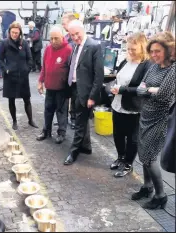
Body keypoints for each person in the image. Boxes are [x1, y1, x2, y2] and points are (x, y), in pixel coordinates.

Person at [132, 32, 175, 209]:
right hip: (146, 115)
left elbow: (164, 95)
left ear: (168, 50)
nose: (154, 55)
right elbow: (140, 87)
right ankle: (147, 186)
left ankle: (160, 195)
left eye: (158, 51)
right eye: (152, 51)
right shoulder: (153, 66)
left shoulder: (173, 70)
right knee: (143, 154)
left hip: (160, 118)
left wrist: (147, 90)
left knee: (150, 158)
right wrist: (151, 90)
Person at [109, 32, 152, 177]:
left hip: (133, 107)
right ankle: (120, 157)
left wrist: (121, 89)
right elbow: (118, 77)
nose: (130, 52)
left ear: (142, 47)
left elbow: (143, 89)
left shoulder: (147, 65)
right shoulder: (125, 61)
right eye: (128, 49)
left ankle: (128, 163)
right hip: (117, 104)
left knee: (132, 139)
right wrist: (114, 87)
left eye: (134, 49)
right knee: (117, 134)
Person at [63, 20, 104, 165]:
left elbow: (99, 75)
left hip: (85, 92)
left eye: (77, 34)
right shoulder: (75, 46)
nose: (74, 37)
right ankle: (86, 147)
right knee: (80, 119)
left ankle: (73, 152)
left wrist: (92, 97)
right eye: (71, 35)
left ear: (83, 30)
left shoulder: (93, 46)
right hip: (74, 88)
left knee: (79, 123)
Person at [0, 21, 38, 130]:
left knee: (27, 99)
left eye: (16, 32)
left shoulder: (24, 43)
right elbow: (0, 58)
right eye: (12, 32)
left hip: (23, 76)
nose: (14, 34)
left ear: (20, 33)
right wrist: (5, 69)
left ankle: (31, 120)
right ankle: (14, 121)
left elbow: (30, 58)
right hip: (10, 76)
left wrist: (27, 69)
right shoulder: (4, 43)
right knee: (11, 100)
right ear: (9, 32)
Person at [36, 26, 73, 144]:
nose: (53, 41)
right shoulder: (48, 49)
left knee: (61, 112)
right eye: (51, 39)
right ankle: (46, 131)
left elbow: (72, 70)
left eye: (56, 38)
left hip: (62, 88)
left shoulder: (68, 49)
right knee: (48, 110)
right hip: (50, 87)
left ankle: (61, 133)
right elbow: (44, 68)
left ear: (62, 37)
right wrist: (40, 82)